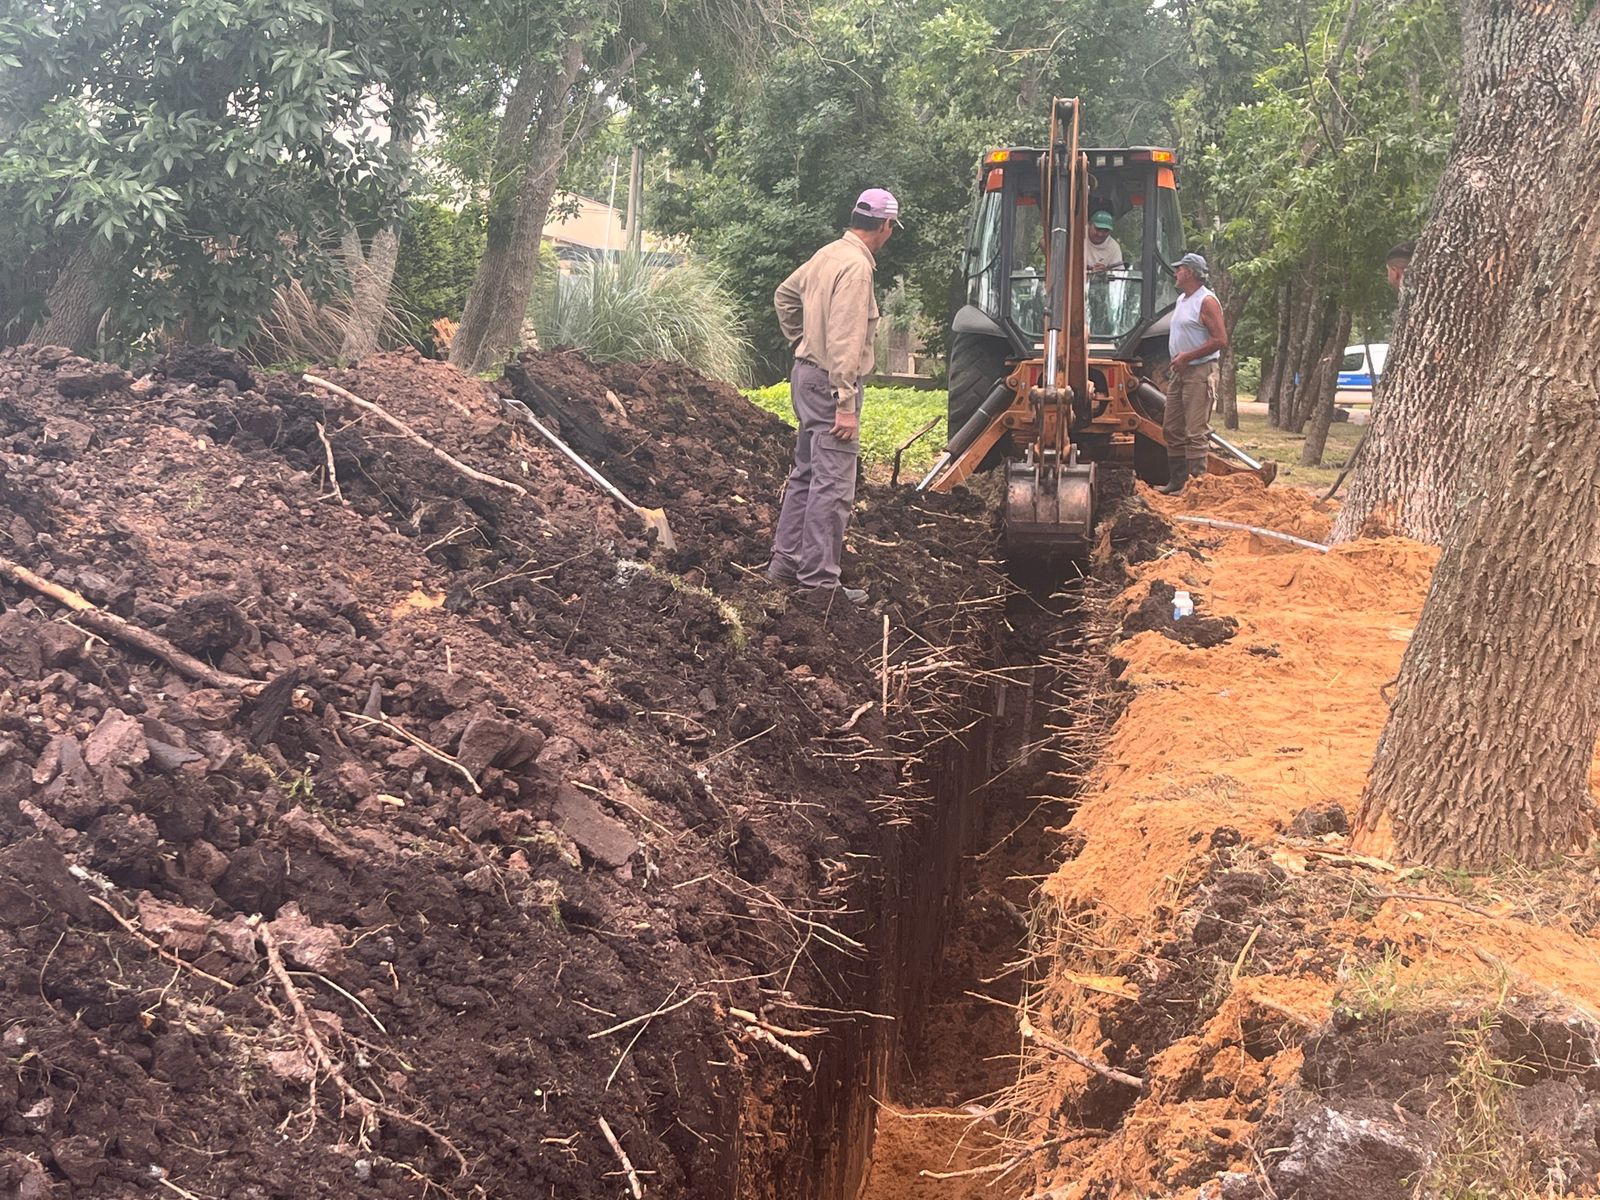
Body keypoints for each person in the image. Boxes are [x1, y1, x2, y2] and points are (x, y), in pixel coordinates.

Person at [766, 188, 898, 604]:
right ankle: (820, 583)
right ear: (885, 226)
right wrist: (845, 403)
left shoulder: (827, 255)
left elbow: (784, 296)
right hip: (829, 384)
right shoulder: (857, 268)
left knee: (806, 472)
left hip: (805, 376)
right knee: (834, 484)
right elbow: (845, 339)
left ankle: (784, 565)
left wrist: (803, 341)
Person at [1159, 252, 1229, 495]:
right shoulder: (1182, 300)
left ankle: (1196, 486)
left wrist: (1187, 356)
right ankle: (1177, 482)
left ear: (1189, 272)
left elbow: (1220, 339)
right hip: (1180, 370)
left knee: (1195, 430)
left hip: (1199, 371)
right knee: (1172, 427)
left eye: (1179, 270)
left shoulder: (1206, 301)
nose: (1175, 274)